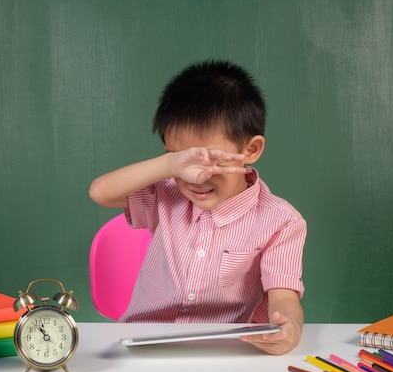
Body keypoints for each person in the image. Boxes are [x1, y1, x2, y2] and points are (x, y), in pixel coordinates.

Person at [88, 60, 306, 355]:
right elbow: (100, 192)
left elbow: (284, 295)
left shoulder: (281, 220)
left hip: (226, 350)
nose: (196, 177)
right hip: (142, 343)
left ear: (250, 150)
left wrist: (288, 325)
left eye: (210, 162)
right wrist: (168, 165)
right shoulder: (165, 196)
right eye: (183, 162)